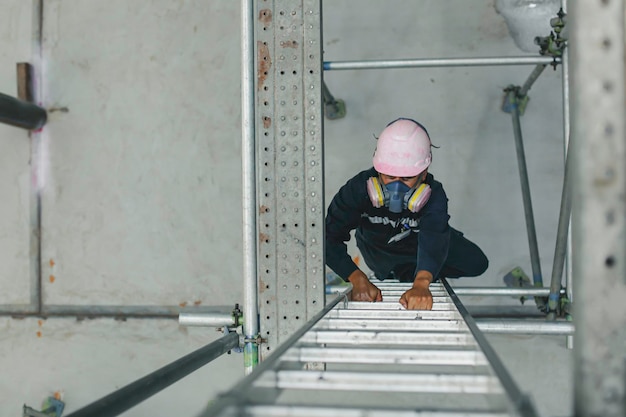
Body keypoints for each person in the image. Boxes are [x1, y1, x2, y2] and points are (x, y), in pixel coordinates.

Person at [325, 118, 488, 310]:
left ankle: (419, 270)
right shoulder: (357, 190)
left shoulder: (433, 194)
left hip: (424, 239)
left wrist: (422, 283)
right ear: (378, 169)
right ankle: (408, 271)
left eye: (407, 178)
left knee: (477, 263)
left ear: (424, 173)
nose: (396, 187)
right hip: (380, 249)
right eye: (389, 176)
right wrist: (355, 277)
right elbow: (328, 238)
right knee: (396, 275)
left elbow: (434, 237)